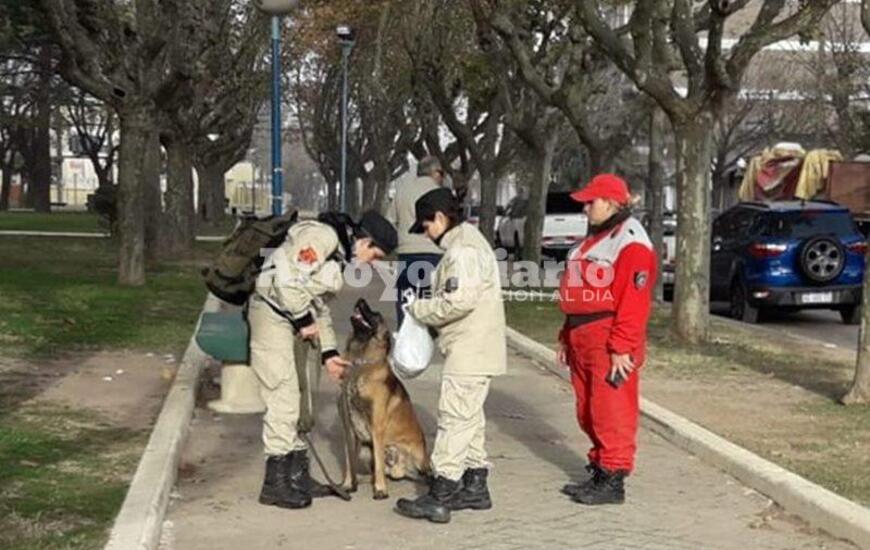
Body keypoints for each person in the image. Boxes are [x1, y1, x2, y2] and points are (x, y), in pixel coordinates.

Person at [248, 210, 397, 510]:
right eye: (375, 254)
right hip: (272, 318)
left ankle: (298, 474)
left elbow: (321, 308)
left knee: (303, 399)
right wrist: (304, 321)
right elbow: (288, 284)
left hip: (294, 323)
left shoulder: (338, 255)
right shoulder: (321, 238)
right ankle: (275, 483)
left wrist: (329, 353)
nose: (373, 262)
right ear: (364, 240)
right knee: (284, 396)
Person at [394, 188, 507, 524]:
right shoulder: (467, 244)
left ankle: (441, 493)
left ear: (441, 219)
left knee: (455, 417)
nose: (426, 233)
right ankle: (475, 486)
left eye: (426, 225)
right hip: (475, 348)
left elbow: (458, 301)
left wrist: (419, 308)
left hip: (471, 350)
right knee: (469, 419)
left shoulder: (463, 251)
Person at [557, 174, 657, 506]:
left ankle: (613, 477)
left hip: (607, 337)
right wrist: (566, 335)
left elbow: (634, 300)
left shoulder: (631, 242)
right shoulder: (595, 240)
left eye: (591, 202)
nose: (585, 208)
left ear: (611, 202)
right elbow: (576, 293)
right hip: (582, 334)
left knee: (611, 410)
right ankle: (600, 466)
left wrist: (621, 348)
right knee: (587, 409)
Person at [386, 156, 445, 326]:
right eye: (441, 173)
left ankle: (405, 335)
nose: (441, 177)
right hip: (434, 255)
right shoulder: (439, 193)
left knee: (406, 299)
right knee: (431, 302)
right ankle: (428, 337)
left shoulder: (402, 191)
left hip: (407, 254)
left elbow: (391, 220)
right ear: (434, 173)